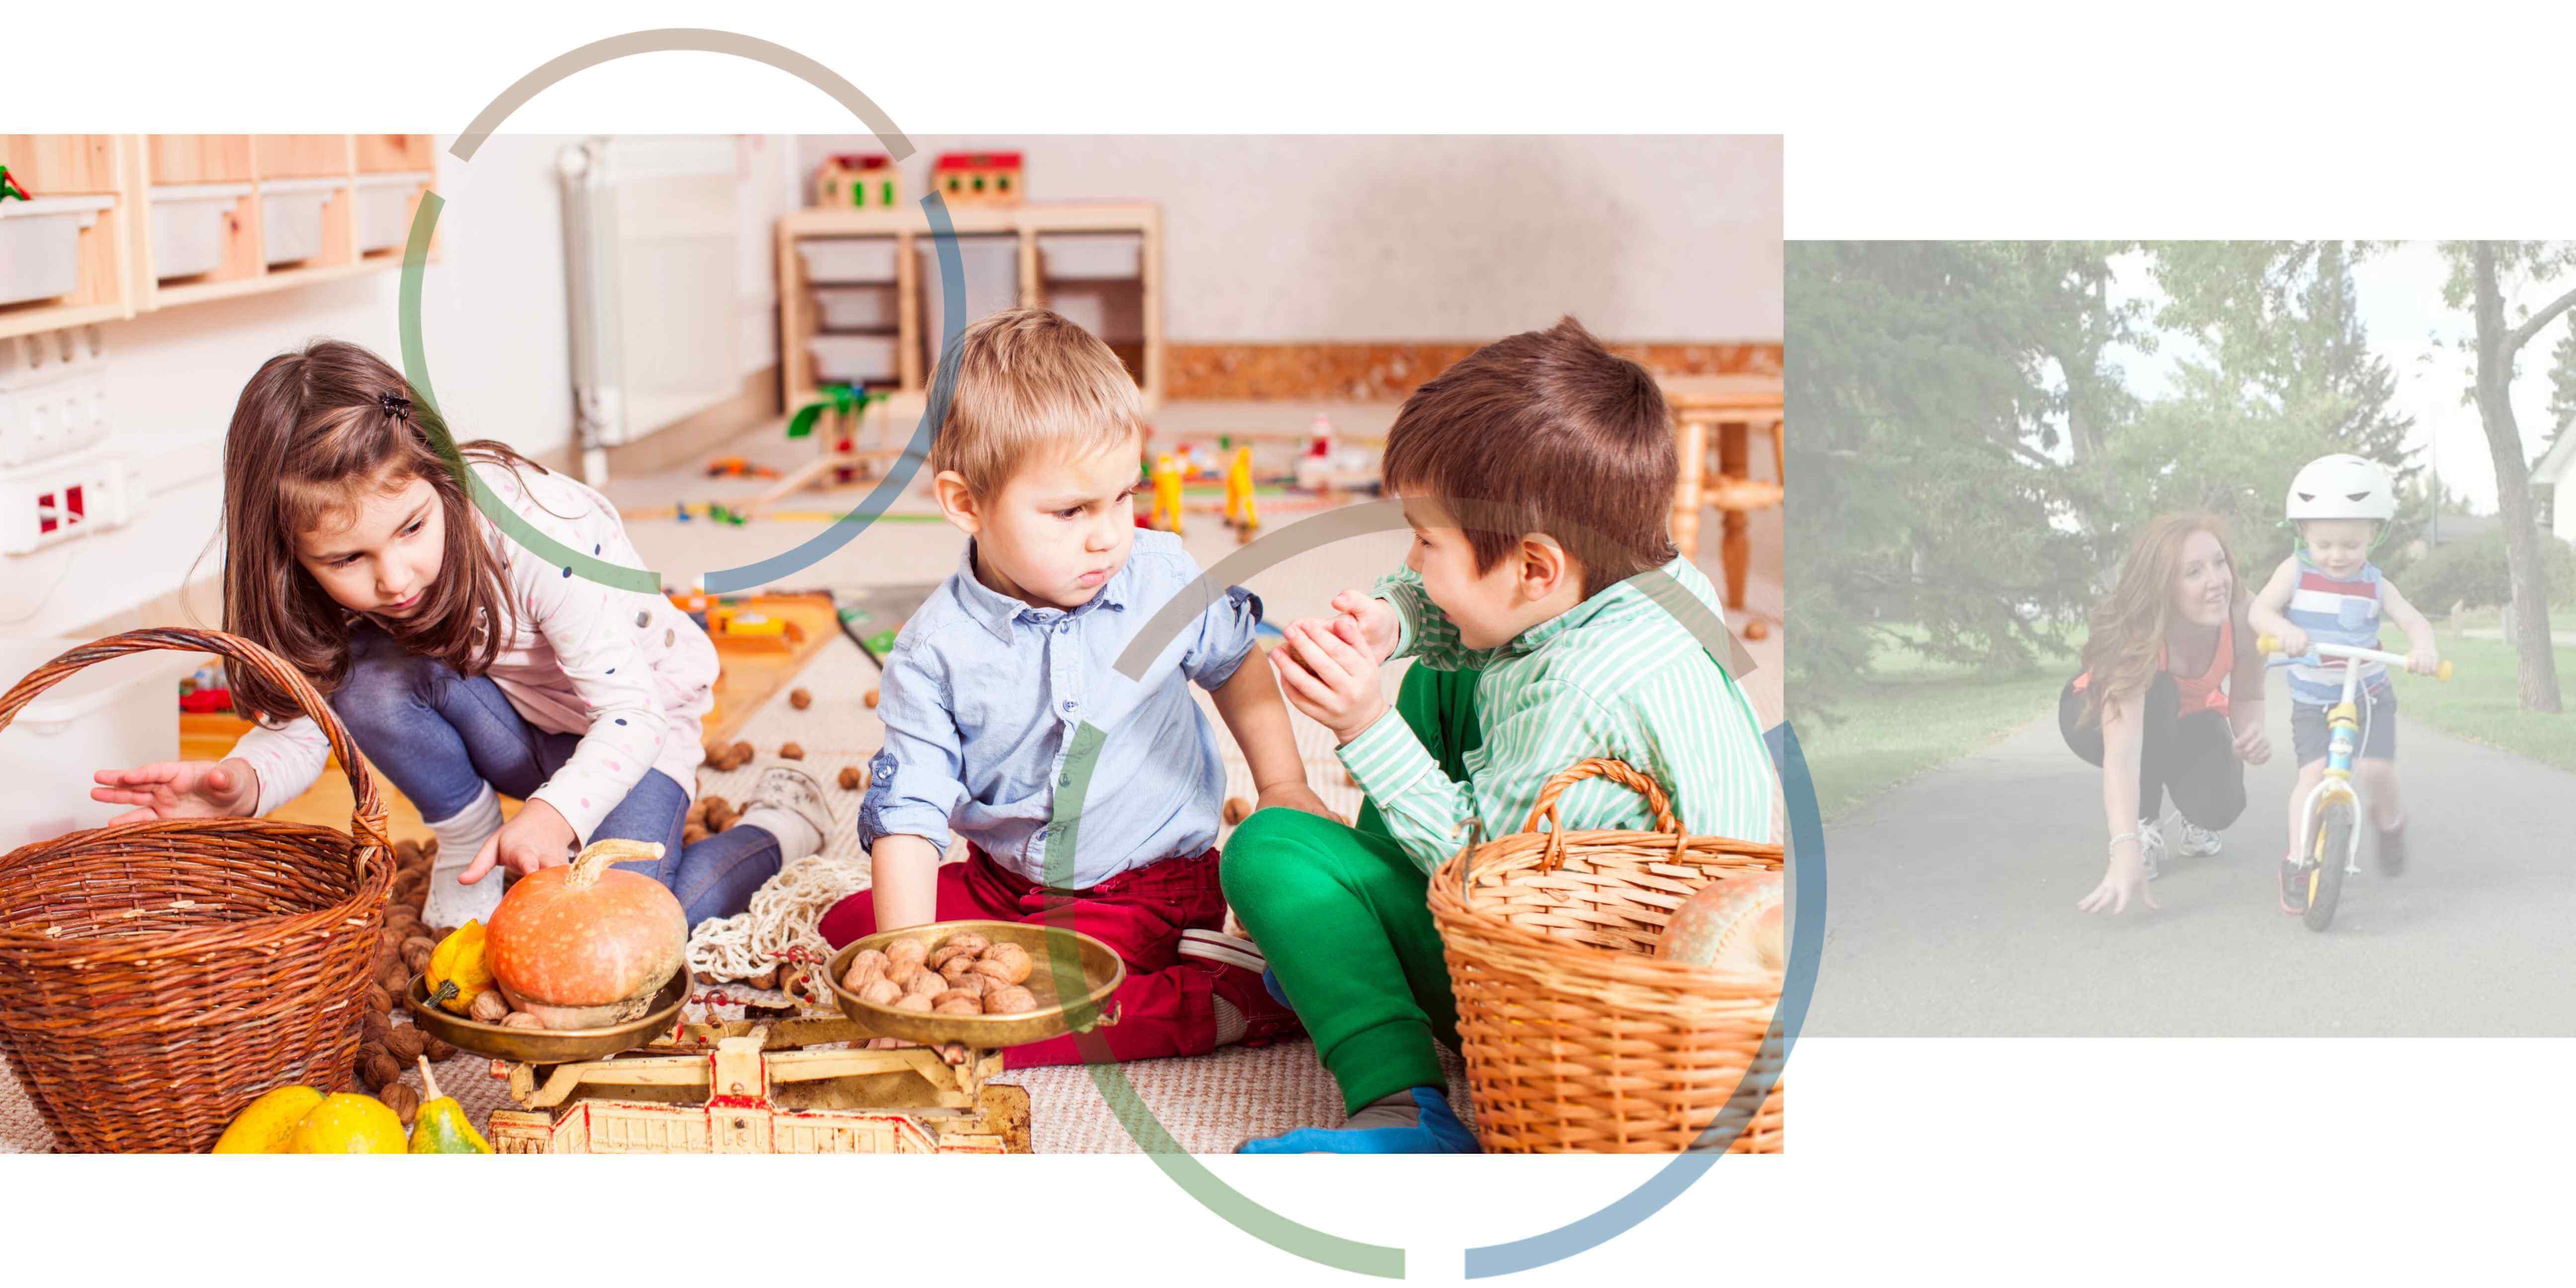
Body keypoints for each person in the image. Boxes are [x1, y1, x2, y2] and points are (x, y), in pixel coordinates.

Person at [1222, 318, 1777, 1153]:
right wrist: (1392, 619)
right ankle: (1355, 933)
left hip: (1561, 993)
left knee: (1267, 848)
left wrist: (1359, 722)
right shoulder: (1654, 578)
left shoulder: (1576, 690)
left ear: (1532, 566)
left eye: (1424, 541)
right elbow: (1497, 626)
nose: (1409, 562)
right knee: (1445, 677)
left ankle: (1402, 1104)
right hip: (1620, 906)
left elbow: (1478, 870)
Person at [88, 339, 831, 927]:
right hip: (516, 727)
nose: (395, 579)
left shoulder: (536, 528)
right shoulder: (335, 576)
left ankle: (776, 829)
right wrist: (244, 785)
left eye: (413, 528)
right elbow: (307, 724)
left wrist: (553, 812)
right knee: (367, 680)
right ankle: (469, 839)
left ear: (438, 476)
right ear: (291, 556)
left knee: (637, 921)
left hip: (633, 732)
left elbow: (631, 715)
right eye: (348, 559)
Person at [816, 308, 1325, 1067]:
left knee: (1027, 1025)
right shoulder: (932, 651)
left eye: (1125, 497)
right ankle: (1133, 979)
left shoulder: (1160, 577)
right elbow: (911, 811)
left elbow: (1236, 661)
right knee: (851, 935)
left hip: (1144, 890)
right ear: (966, 504)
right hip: (1003, 888)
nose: (1108, 534)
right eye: (1070, 511)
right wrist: (907, 963)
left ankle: (1218, 1002)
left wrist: (1284, 782)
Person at [2244, 453, 2438, 913]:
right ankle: (2298, 861)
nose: (2337, 556)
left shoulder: (2377, 584)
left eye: (2351, 544)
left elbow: (2413, 620)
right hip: (2313, 697)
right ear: (2303, 534)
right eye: (2325, 543)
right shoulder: (2295, 571)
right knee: (2312, 778)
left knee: (2376, 771)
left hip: (2368, 693)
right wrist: (2282, 630)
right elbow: (2259, 611)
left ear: (2375, 534)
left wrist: (2423, 647)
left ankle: (2389, 823)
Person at [2062, 513, 2270, 915]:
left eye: (2219, 562)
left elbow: (2250, 694)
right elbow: (2123, 754)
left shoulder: (2246, 613)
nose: (2217, 581)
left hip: (2189, 717)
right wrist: (2123, 848)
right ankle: (2144, 825)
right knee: (2158, 696)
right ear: (2164, 587)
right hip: (2094, 714)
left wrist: (2250, 732)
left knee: (2220, 807)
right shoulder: (2138, 633)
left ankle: (2191, 810)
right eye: (2194, 572)